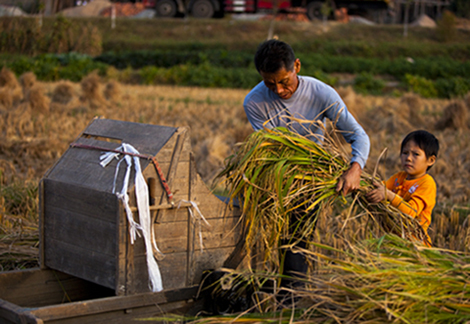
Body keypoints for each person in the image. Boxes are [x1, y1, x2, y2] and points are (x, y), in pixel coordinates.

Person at [243, 39, 370, 291]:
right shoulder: (254, 102)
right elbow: (272, 149)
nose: (278, 90)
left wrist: (355, 168)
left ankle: (290, 299)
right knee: (275, 240)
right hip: (277, 176)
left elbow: (358, 135)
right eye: (270, 83)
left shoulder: (321, 93)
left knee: (295, 240)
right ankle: (281, 291)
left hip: (310, 178)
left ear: (296, 66)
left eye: (284, 81)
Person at [366, 130, 439, 247]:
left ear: (430, 160)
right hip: (394, 241)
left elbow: (411, 212)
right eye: (405, 153)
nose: (408, 158)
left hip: (415, 245)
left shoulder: (427, 183)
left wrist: (389, 195)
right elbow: (381, 187)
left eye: (416, 154)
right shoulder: (399, 177)